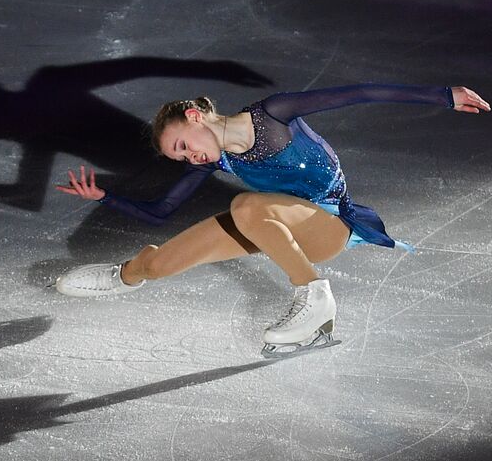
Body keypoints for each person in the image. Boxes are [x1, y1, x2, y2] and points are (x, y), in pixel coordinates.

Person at [53, 83, 489, 356]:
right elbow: (161, 211)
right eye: (180, 157)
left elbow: (360, 93)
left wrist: (443, 97)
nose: (191, 158)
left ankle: (314, 298)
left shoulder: (275, 114)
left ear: (195, 117)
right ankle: (124, 274)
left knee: (244, 207)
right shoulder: (214, 160)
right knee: (160, 263)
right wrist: (105, 195)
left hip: (330, 225)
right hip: (276, 225)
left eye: (184, 146)